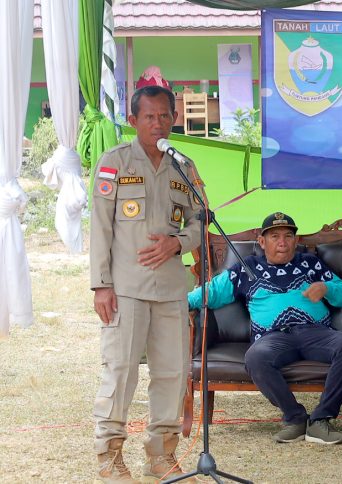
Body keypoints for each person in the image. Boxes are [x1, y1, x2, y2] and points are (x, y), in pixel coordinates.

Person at [90, 85, 202, 483]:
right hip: (126, 289)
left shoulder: (183, 167)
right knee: (120, 372)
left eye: (165, 116)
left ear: (174, 118)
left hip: (172, 289)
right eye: (149, 117)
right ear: (134, 121)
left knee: (172, 374)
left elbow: (200, 221)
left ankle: (160, 453)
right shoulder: (114, 163)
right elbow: (100, 228)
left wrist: (179, 242)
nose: (158, 124)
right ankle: (109, 457)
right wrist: (101, 285)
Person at [187, 212, 342, 446]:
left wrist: (326, 288)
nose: (282, 242)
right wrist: (177, 303)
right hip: (273, 337)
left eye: (288, 236)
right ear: (262, 242)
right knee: (256, 357)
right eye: (275, 236)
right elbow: (213, 291)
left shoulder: (310, 263)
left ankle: (321, 420)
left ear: (296, 241)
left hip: (315, 333)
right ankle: (295, 418)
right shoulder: (248, 268)